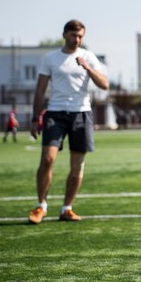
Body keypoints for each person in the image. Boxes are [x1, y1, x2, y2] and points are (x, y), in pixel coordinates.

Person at [28, 20, 109, 224]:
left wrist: (87, 67)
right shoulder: (51, 58)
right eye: (74, 35)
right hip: (55, 113)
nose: (77, 39)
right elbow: (40, 90)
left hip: (81, 114)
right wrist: (34, 118)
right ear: (65, 34)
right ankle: (41, 206)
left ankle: (67, 208)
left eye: (81, 36)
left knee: (77, 166)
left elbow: (105, 85)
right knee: (47, 159)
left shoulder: (88, 57)